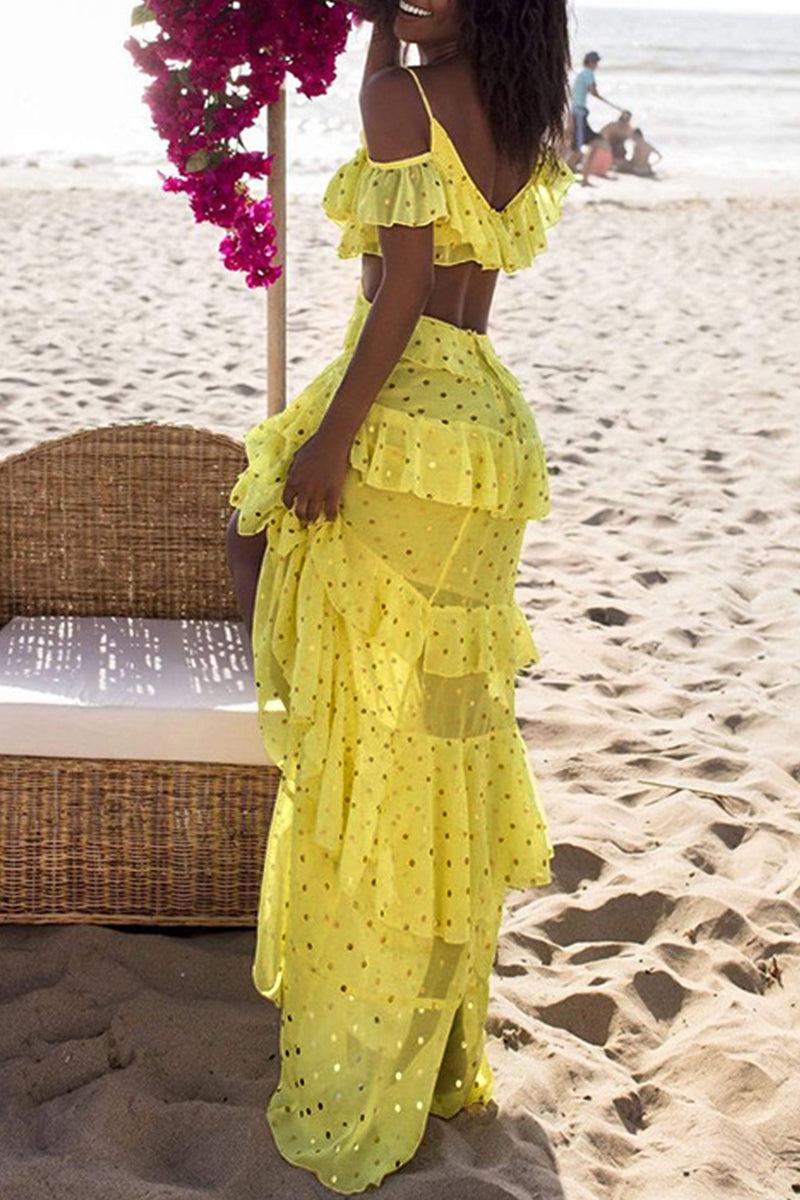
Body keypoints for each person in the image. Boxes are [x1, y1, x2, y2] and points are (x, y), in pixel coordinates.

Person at [226, 0, 573, 1191]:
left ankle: (360, 1037)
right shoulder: (517, 111)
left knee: (354, 721)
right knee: (442, 740)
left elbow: (396, 286)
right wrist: (386, 35)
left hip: (405, 420)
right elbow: (432, 242)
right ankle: (432, 1050)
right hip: (487, 433)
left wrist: (333, 438)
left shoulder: (401, 99)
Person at [567, 50, 623, 184]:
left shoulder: (581, 74)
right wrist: (610, 103)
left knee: (593, 144)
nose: (597, 65)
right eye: (596, 62)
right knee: (578, 149)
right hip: (579, 113)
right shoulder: (588, 73)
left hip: (579, 113)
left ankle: (584, 179)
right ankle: (565, 176)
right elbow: (593, 92)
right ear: (592, 62)